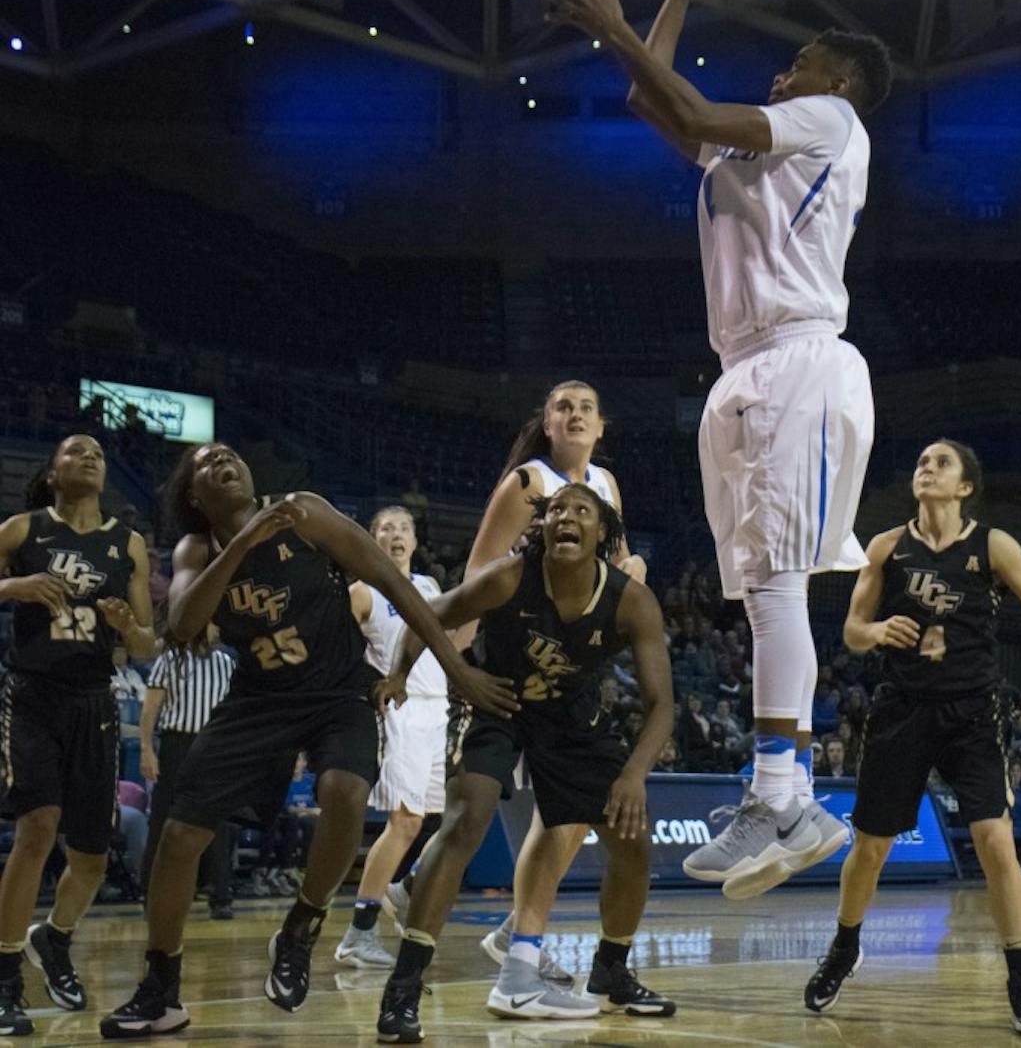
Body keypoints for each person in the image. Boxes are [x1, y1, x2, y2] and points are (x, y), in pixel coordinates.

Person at [540, 0, 894, 897]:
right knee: (761, 590)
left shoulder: (832, 122)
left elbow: (691, 111)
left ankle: (784, 795)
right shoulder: (757, 152)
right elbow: (655, 105)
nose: (783, 75)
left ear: (842, 80)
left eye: (802, 61)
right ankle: (784, 797)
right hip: (748, 372)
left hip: (800, 359)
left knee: (779, 585)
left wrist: (615, 25)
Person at [99, 442, 502, 1039]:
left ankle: (302, 926)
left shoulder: (305, 513)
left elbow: (394, 581)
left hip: (339, 691)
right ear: (194, 494)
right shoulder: (197, 550)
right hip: (258, 700)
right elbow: (183, 625)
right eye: (209, 464)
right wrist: (244, 541)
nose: (225, 463)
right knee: (181, 836)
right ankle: (160, 990)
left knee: (344, 789)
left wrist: (457, 668)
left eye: (231, 455)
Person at [373, 484, 675, 1041]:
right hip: (495, 699)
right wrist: (411, 674)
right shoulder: (510, 576)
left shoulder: (632, 600)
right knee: (467, 819)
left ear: (602, 534)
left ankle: (611, 968)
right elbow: (426, 614)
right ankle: (405, 986)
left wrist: (633, 774)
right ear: (542, 525)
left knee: (633, 842)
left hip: (569, 715)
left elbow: (662, 705)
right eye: (556, 509)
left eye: (581, 510)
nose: (565, 516)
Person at [803, 440, 1021, 1037]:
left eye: (941, 463)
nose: (927, 468)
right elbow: (851, 630)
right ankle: (844, 948)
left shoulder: (993, 546)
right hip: (902, 709)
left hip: (974, 711)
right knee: (870, 847)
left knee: (995, 839)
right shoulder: (887, 547)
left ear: (965, 487)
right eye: (921, 461)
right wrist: (875, 630)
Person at [461, 380, 646, 979]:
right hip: (516, 665)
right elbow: (477, 573)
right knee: (525, 817)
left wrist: (631, 570)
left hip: (572, 669)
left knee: (570, 817)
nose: (574, 416)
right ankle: (497, 938)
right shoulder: (529, 483)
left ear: (601, 426)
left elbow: (612, 575)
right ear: (547, 421)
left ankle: (518, 936)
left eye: (586, 407)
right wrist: (460, 674)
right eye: (563, 407)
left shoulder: (608, 486)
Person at [0, 435, 156, 1035]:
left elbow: (147, 644)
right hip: (33, 696)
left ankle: (56, 940)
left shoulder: (129, 545)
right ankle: (6, 974)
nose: (88, 456)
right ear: (53, 470)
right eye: (73, 450)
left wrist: (127, 626)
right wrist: (12, 587)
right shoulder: (24, 530)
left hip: (95, 701)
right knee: (37, 830)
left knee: (91, 856)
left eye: (96, 452)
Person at [333, 506, 449, 970]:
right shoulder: (362, 592)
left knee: (451, 819)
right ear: (372, 539)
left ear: (416, 541)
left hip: (439, 706)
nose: (396, 535)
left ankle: (405, 889)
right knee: (404, 823)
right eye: (386, 529)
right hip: (399, 712)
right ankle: (358, 934)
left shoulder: (430, 587)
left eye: (404, 528)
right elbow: (336, 650)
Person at [140, 633, 238, 921]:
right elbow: (150, 708)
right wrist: (146, 748)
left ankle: (221, 896)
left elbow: (233, 711)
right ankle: (149, 893)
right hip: (176, 746)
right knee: (161, 822)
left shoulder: (227, 663)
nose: (216, 631)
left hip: (214, 746)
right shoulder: (169, 660)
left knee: (218, 825)